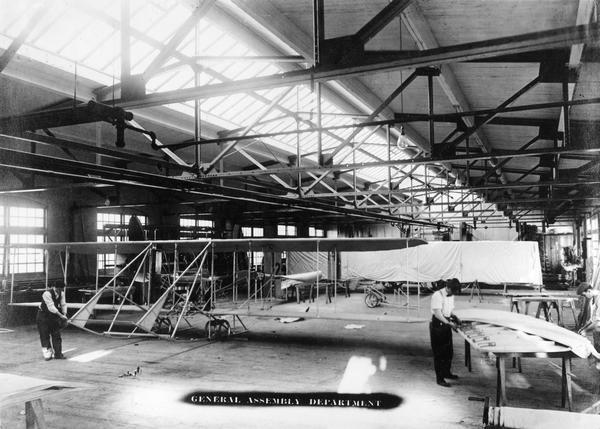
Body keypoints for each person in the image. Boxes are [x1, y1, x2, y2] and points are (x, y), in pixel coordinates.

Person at [430, 278, 461, 387]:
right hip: (438, 325)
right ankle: (440, 379)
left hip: (446, 323)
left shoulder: (451, 295)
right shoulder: (437, 296)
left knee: (449, 352)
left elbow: (448, 310)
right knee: (439, 354)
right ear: (447, 288)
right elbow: (438, 314)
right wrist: (449, 324)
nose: (453, 294)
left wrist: (454, 316)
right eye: (452, 291)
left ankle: (447, 373)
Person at [36, 283, 68, 360]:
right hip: (43, 316)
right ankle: (47, 354)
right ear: (54, 287)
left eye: (61, 289)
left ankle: (58, 354)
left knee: (56, 334)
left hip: (53, 316)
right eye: (58, 289)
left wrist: (65, 314)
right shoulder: (47, 294)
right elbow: (51, 307)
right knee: (44, 335)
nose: (59, 291)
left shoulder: (62, 293)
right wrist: (61, 316)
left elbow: (63, 304)